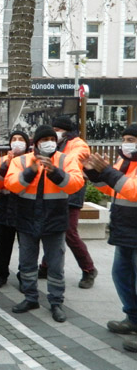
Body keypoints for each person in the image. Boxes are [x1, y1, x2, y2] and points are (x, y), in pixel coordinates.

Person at [5, 125, 84, 323]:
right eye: (43, 139)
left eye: (51, 138)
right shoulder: (21, 161)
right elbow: (11, 184)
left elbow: (76, 183)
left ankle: (56, 302)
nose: (48, 142)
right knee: (27, 263)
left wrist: (56, 172)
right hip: (27, 218)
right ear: (36, 143)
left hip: (55, 219)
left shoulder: (66, 160)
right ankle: (30, 298)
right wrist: (31, 171)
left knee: (56, 265)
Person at [84, 124, 137, 352]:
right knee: (121, 275)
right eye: (125, 138)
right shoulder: (125, 163)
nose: (127, 143)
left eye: (131, 139)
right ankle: (132, 319)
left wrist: (108, 172)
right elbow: (113, 189)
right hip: (125, 230)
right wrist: (93, 173)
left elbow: (132, 189)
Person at [39, 116, 97, 289]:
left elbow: (71, 159)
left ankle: (89, 269)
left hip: (72, 194)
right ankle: (45, 266)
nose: (54, 133)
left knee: (69, 232)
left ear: (66, 131)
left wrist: (55, 158)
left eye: (57, 130)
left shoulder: (78, 144)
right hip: (55, 193)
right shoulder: (56, 144)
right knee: (53, 229)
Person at [0, 130, 29, 289]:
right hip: (6, 202)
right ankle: (1, 274)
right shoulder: (2, 159)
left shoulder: (31, 160)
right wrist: (5, 166)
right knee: (2, 242)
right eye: (14, 139)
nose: (17, 142)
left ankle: (24, 275)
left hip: (26, 204)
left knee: (26, 244)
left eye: (21, 139)